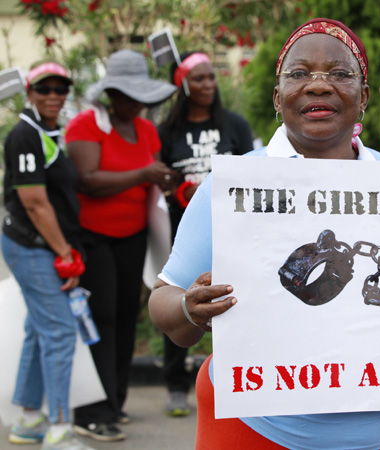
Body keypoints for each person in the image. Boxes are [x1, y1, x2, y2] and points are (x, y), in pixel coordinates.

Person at [149, 19, 380, 450]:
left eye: (339, 73)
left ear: (363, 96)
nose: (318, 85)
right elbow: (164, 304)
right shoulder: (230, 188)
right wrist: (188, 309)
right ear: (277, 96)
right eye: (299, 73)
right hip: (253, 429)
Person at [65, 49, 176, 442]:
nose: (138, 103)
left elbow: (152, 175)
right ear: (111, 94)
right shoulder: (85, 125)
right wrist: (144, 173)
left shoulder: (146, 130)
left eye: (142, 96)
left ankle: (114, 401)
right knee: (101, 317)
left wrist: (162, 179)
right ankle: (90, 412)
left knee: (127, 314)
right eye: (130, 96)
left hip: (133, 235)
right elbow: (87, 180)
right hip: (92, 237)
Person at [2, 61, 95, 449]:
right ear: (29, 93)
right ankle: (59, 428)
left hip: (39, 244)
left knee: (39, 329)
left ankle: (28, 419)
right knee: (58, 331)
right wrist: (65, 254)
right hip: (33, 245)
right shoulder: (25, 134)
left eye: (61, 89)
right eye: (45, 89)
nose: (54, 95)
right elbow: (35, 202)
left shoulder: (48, 131)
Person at [157, 51, 253, 416]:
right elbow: (161, 177)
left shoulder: (235, 125)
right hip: (182, 229)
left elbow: (253, 177)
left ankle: (237, 378)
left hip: (233, 232)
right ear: (182, 86)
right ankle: (175, 386)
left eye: (211, 77)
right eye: (199, 79)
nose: (208, 84)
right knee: (179, 299)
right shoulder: (167, 132)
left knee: (232, 301)